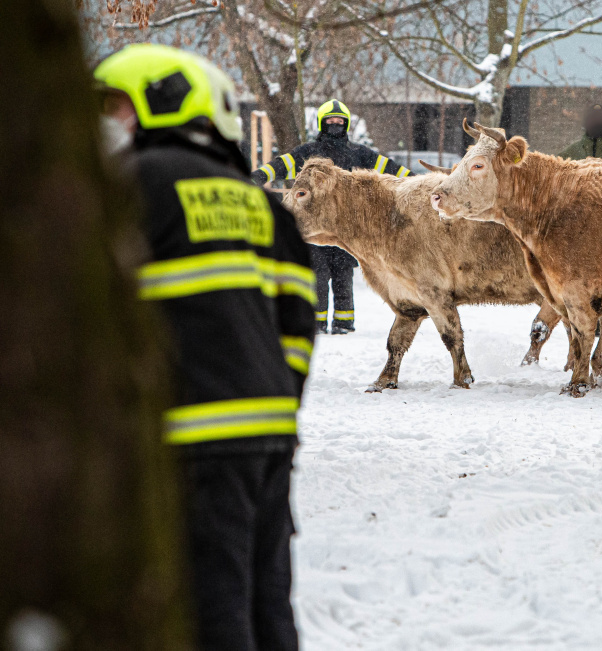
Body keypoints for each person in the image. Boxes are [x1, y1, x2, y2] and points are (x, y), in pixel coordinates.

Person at [95, 44, 316, 651]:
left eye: (114, 110)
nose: (104, 128)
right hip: (267, 437)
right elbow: (297, 330)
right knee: (265, 599)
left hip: (191, 437)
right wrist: (273, 406)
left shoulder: (133, 187)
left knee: (210, 606)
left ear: (161, 105)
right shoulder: (267, 209)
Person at [251, 99, 411, 335]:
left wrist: (419, 181)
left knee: (343, 277)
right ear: (321, 124)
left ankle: (344, 323)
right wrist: (256, 177)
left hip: (347, 229)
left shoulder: (359, 153)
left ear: (345, 124)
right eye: (330, 121)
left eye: (339, 121)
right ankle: (316, 324)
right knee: (318, 275)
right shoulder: (307, 153)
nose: (335, 125)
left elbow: (390, 167)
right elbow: (280, 164)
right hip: (314, 229)